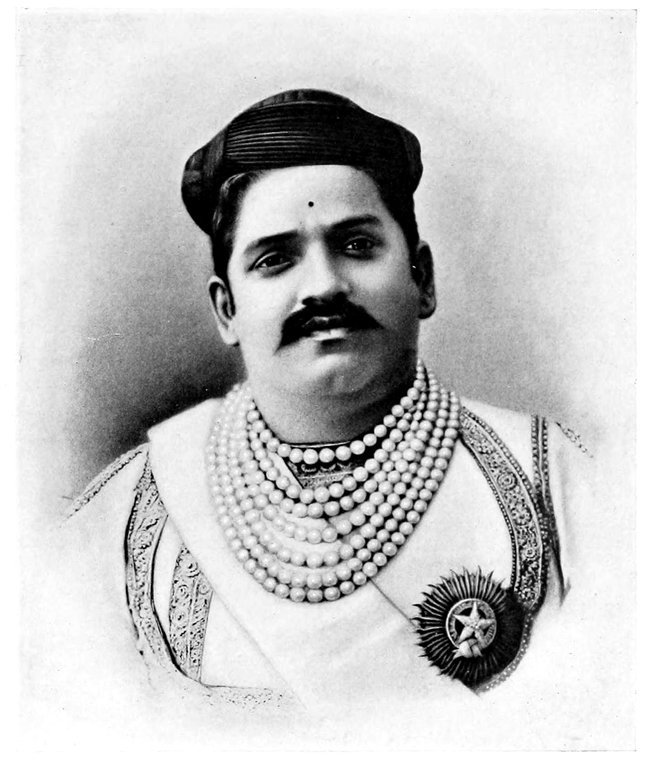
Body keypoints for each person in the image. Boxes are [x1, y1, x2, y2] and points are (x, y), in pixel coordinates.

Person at [55, 89, 598, 746]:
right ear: (227, 309)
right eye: (275, 258)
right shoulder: (117, 523)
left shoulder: (564, 485)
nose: (322, 286)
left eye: (357, 244)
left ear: (423, 279)